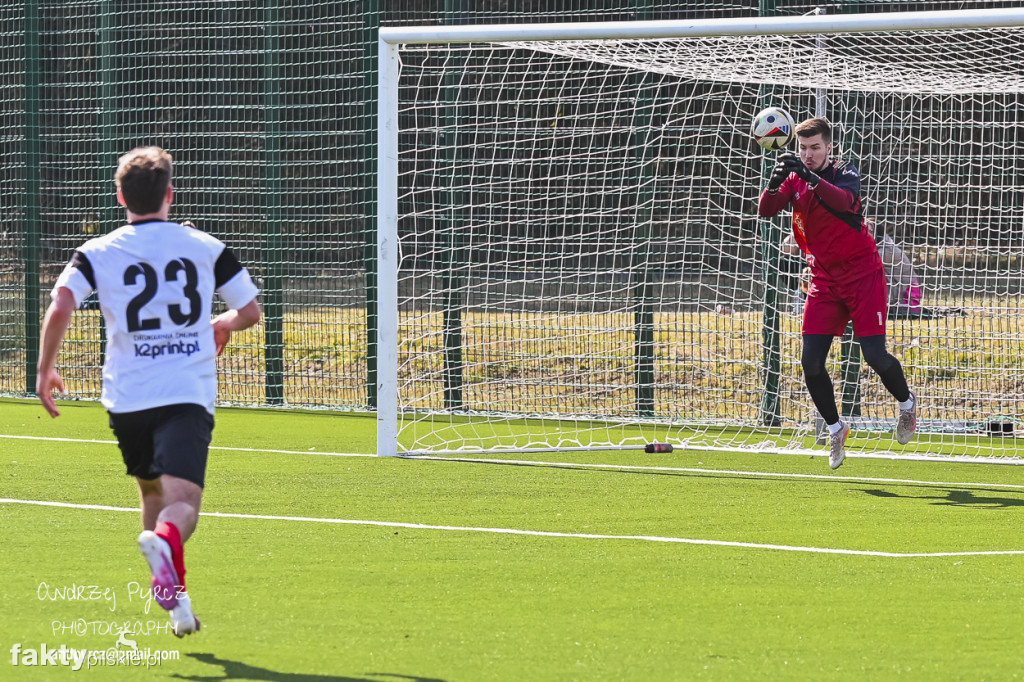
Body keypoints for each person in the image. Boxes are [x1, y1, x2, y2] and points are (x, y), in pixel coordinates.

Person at [36, 147, 261, 636]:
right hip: (184, 393)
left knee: (153, 492)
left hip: (128, 399)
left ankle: (175, 600)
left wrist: (45, 369)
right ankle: (163, 543)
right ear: (170, 194)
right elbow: (251, 311)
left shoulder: (96, 251)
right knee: (184, 507)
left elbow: (60, 306)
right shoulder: (205, 246)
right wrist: (222, 322)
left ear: (121, 196)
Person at [758, 118, 917, 469]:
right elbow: (766, 210)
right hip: (823, 281)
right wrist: (773, 183)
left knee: (874, 356)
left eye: (815, 147)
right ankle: (835, 428)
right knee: (811, 362)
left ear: (829, 147)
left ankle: (906, 405)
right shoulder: (795, 176)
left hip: (863, 276)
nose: (808, 154)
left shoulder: (845, 171)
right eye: (803, 148)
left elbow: (844, 202)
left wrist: (811, 177)